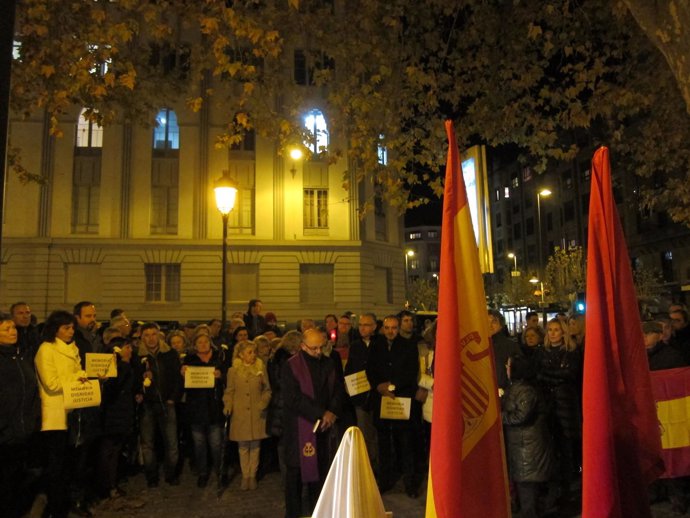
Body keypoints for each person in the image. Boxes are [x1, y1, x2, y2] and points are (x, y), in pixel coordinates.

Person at [281, 328, 345, 518]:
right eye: (313, 348)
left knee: (321, 472)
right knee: (295, 476)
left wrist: (332, 412)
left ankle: (319, 512)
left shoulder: (329, 363)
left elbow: (338, 390)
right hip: (299, 428)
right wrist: (320, 413)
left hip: (323, 428)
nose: (318, 352)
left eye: (321, 347)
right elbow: (293, 398)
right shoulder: (290, 366)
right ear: (302, 346)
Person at [34, 310, 89, 518]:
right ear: (55, 329)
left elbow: (78, 372)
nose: (71, 331)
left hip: (73, 410)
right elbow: (51, 384)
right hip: (55, 414)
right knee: (56, 465)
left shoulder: (71, 348)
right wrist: (77, 380)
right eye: (66, 328)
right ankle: (54, 508)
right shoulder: (46, 350)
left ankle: (64, 504)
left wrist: (81, 377)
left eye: (72, 327)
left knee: (69, 463)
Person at [367, 315, 422, 497]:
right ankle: (384, 481)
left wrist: (392, 386)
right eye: (387, 328)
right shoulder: (376, 346)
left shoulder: (408, 346)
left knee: (406, 444)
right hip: (381, 400)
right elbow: (370, 370)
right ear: (383, 328)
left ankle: (410, 484)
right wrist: (378, 386)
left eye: (394, 328)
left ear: (398, 329)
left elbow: (411, 371)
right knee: (383, 443)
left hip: (401, 400)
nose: (391, 331)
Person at [502, 355, 557, 518]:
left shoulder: (526, 390)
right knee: (526, 492)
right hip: (523, 448)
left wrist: (499, 416)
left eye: (509, 365)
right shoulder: (518, 387)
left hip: (528, 450)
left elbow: (521, 416)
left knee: (528, 494)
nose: (506, 368)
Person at [535, 318, 582, 506]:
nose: (553, 333)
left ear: (563, 332)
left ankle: (567, 488)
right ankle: (554, 487)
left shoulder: (571, 352)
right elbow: (536, 372)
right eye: (550, 330)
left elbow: (570, 375)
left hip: (566, 405)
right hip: (548, 404)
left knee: (566, 447)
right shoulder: (542, 352)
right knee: (550, 447)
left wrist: (547, 375)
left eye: (556, 330)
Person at [0, 313, 40, 518]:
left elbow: (31, 390)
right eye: (6, 329)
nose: (12, 332)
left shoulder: (21, 356)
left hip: (23, 432)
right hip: (5, 434)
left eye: (13, 328)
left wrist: (32, 419)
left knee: (17, 481)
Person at [138, 322, 183, 487]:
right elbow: (134, 380)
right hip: (147, 405)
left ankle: (171, 474)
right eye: (147, 335)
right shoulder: (138, 356)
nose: (151, 338)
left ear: (159, 335)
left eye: (153, 334)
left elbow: (178, 379)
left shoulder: (170, 354)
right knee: (147, 443)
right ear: (142, 338)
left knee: (171, 442)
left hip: (167, 403)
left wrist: (173, 398)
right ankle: (151, 476)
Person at [223, 340, 272, 490]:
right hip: (240, 413)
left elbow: (267, 390)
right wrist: (228, 405)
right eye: (249, 352)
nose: (253, 355)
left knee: (256, 446)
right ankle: (245, 475)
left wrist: (263, 403)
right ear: (241, 354)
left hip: (257, 413)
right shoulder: (233, 371)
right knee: (243, 446)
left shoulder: (260, 368)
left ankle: (253, 475)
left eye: (254, 352)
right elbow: (229, 391)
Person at [182, 333, 228, 488]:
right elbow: (184, 384)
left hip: (214, 406)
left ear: (210, 343)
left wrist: (221, 375)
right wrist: (183, 374)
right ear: (195, 345)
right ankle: (203, 473)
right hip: (196, 408)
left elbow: (228, 377)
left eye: (205, 342)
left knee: (216, 444)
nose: (202, 344)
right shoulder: (189, 360)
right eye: (199, 342)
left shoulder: (219, 358)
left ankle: (220, 472)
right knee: (199, 444)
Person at [97, 337, 138, 500]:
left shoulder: (127, 366)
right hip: (113, 414)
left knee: (115, 450)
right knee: (108, 450)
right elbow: (114, 388)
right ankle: (106, 485)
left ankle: (111, 483)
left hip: (123, 412)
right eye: (126, 347)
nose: (130, 350)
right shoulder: (118, 368)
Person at [343, 312, 380, 472]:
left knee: (378, 432)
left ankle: (379, 465)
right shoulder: (355, 346)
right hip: (360, 396)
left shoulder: (380, 344)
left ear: (374, 327)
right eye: (360, 325)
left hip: (377, 396)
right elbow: (351, 368)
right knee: (364, 431)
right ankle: (367, 466)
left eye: (366, 325)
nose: (362, 328)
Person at [488, 309, 521, 392]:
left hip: (505, 390)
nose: (489, 325)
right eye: (486, 321)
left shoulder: (510, 345)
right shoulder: (478, 345)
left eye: (494, 322)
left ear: (501, 325)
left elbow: (519, 370)